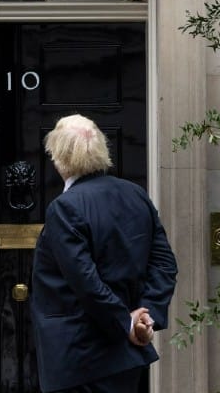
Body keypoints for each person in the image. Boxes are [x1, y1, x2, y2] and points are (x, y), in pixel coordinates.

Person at [30, 114, 179, 393]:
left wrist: (129, 323)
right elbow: (164, 265)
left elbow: (86, 283)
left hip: (81, 357)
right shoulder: (136, 194)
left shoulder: (65, 207)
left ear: (60, 158)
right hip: (125, 357)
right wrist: (147, 317)